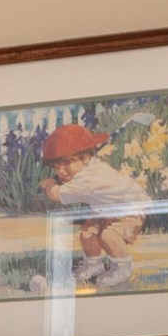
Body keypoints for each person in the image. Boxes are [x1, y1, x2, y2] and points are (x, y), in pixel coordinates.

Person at [38, 123, 150, 289]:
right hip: (106, 210)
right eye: (56, 166)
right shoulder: (89, 168)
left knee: (107, 236)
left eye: (67, 163)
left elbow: (56, 194)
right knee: (87, 234)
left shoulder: (88, 179)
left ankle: (121, 268)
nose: (61, 171)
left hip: (130, 211)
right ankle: (93, 265)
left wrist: (49, 184)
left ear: (85, 158)